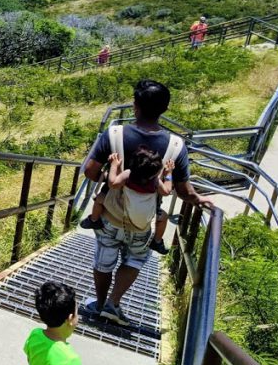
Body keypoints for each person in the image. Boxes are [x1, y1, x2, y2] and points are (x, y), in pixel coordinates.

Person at [80, 79, 212, 326]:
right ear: (164, 109)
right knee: (134, 260)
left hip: (110, 216)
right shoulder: (175, 146)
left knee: (104, 260)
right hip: (143, 221)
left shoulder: (115, 134)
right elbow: (182, 190)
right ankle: (113, 303)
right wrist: (198, 199)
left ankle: (99, 304)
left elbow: (89, 170)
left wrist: (111, 179)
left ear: (135, 105)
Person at [80, 148, 174, 255]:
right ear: (157, 171)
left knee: (99, 199)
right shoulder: (155, 181)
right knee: (163, 217)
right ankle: (157, 241)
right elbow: (166, 191)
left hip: (124, 209)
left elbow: (112, 183)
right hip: (146, 216)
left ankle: (94, 220)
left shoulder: (128, 174)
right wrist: (168, 174)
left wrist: (114, 165)